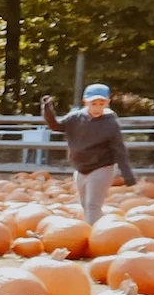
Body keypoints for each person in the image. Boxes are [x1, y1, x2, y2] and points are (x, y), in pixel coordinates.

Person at [42, 83, 135, 222]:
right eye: (94, 103)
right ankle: (102, 227)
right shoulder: (75, 118)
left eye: (101, 103)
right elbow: (55, 126)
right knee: (85, 204)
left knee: (93, 205)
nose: (97, 107)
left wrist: (127, 174)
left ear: (107, 103)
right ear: (85, 102)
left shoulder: (110, 123)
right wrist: (47, 109)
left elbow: (119, 150)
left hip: (102, 166)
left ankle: (95, 237)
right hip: (81, 167)